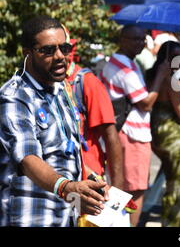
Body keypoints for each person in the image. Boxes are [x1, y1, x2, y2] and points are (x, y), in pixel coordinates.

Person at [0, 16, 108, 226]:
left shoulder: (62, 89)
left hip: (64, 216)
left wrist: (92, 185)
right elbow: (28, 158)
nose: (60, 56)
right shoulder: (14, 96)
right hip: (29, 218)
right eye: (48, 50)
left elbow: (66, 152)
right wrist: (66, 188)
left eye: (64, 48)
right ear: (27, 53)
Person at [100, 25, 167, 226]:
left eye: (142, 39)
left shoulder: (116, 61)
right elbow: (145, 103)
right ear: (122, 39)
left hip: (122, 131)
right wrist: (161, 75)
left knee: (123, 186)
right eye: (134, 39)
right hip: (132, 134)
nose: (140, 44)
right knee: (135, 189)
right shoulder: (125, 68)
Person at [64, 35, 124, 189]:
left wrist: (117, 191)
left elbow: (111, 135)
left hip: (88, 178)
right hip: (56, 178)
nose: (58, 55)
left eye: (64, 48)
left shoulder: (88, 82)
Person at [145, 41, 180, 227]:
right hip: (174, 138)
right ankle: (174, 223)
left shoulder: (150, 76)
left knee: (171, 179)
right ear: (167, 58)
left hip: (157, 132)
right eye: (175, 56)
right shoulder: (173, 82)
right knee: (178, 183)